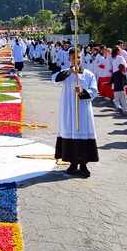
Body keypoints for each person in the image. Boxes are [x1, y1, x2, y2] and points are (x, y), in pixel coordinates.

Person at [52, 49, 99, 177]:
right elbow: (54, 79)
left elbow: (94, 91)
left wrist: (82, 92)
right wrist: (69, 72)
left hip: (83, 109)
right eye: (73, 58)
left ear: (81, 58)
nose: (76, 60)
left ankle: (83, 165)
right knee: (70, 132)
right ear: (69, 59)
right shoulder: (66, 73)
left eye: (78, 57)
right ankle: (72, 163)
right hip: (68, 109)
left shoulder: (88, 74)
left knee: (83, 133)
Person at [111, 47, 127, 114]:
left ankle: (118, 106)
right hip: (121, 76)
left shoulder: (113, 58)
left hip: (115, 76)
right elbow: (125, 66)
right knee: (123, 94)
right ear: (118, 51)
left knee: (116, 93)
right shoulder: (120, 58)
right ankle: (125, 109)